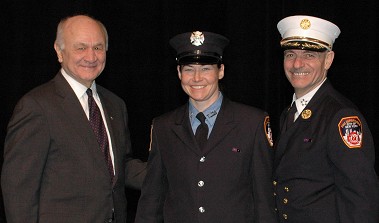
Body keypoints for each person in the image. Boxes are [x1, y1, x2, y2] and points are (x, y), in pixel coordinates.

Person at [1, 14, 146, 223]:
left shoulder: (115, 104)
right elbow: (18, 188)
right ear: (59, 52)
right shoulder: (36, 106)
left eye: (98, 47)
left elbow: (119, 166)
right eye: (80, 47)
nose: (91, 56)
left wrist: (173, 171)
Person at [134, 31, 277, 223]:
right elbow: (151, 200)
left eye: (206, 69)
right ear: (179, 72)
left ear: (221, 71)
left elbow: (264, 200)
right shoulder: (163, 127)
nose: (197, 78)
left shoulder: (252, 123)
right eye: (189, 69)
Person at [273, 15, 379, 222]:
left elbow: (361, 197)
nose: (297, 64)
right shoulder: (289, 113)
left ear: (328, 59)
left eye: (310, 55)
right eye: (290, 54)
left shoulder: (342, 117)